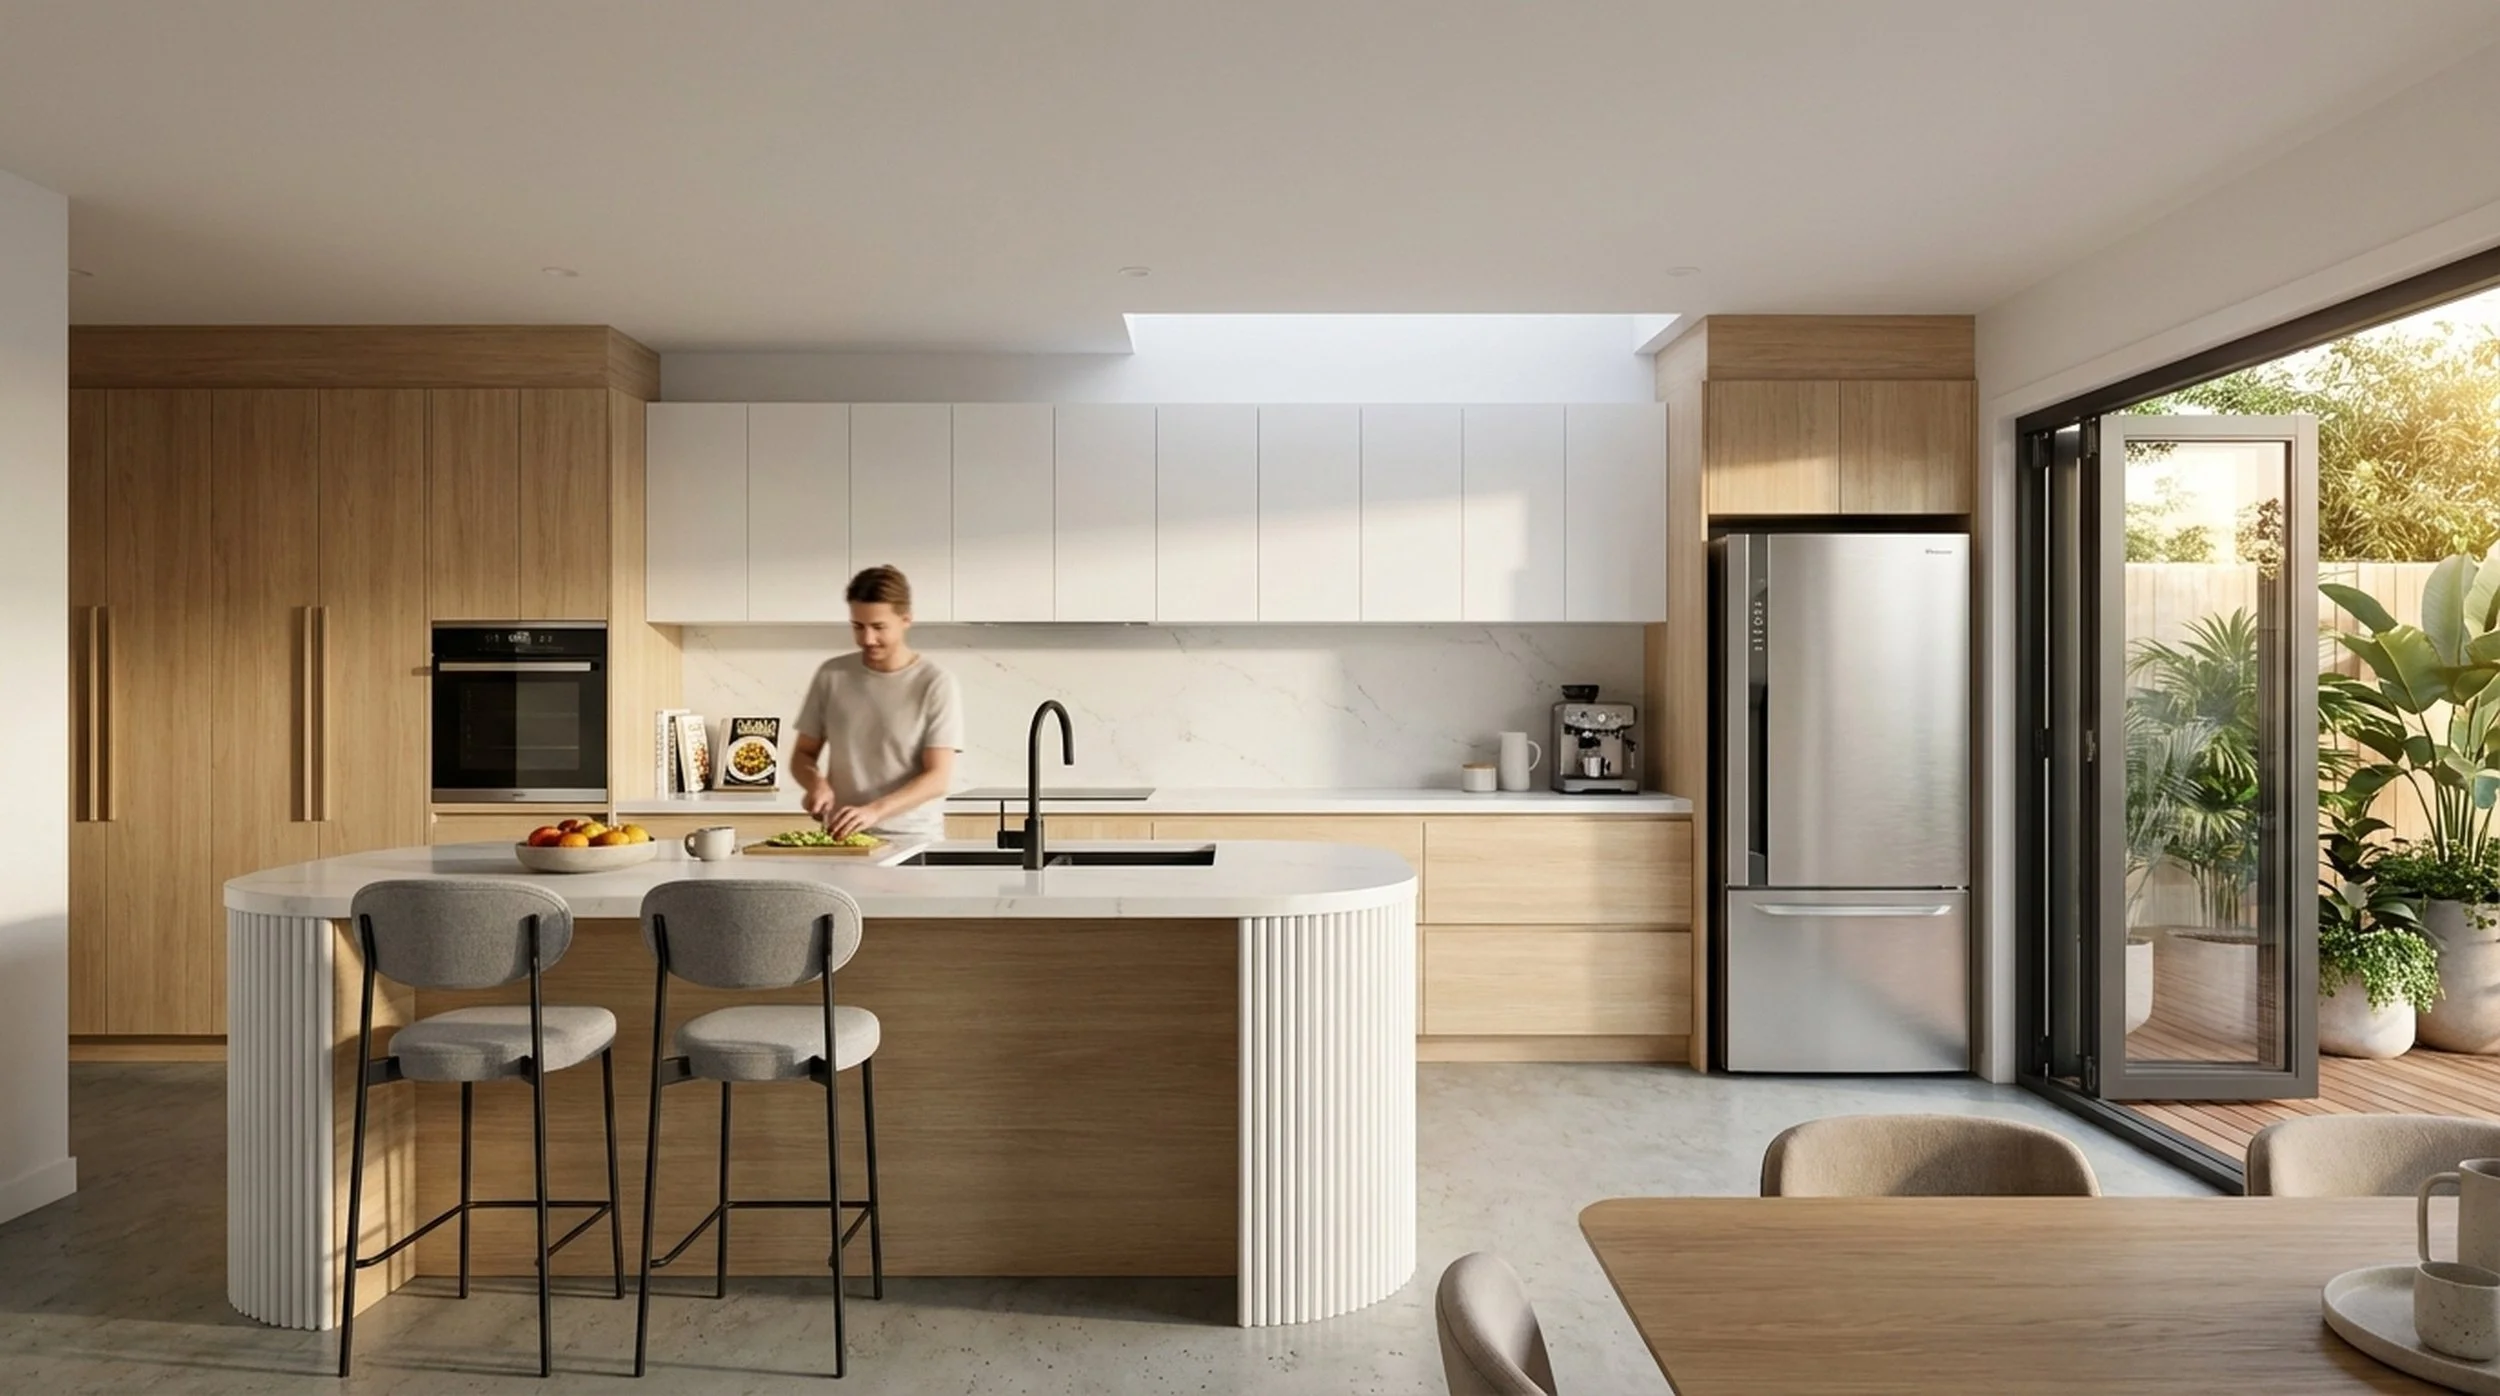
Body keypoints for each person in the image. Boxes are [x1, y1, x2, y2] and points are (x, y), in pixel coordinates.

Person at [789, 565, 963, 840]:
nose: (867, 639)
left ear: (906, 620)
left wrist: (874, 811)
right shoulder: (832, 675)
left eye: (879, 627)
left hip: (912, 837)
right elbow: (802, 754)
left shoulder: (935, 683)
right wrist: (816, 785)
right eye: (858, 627)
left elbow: (938, 778)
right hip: (843, 836)